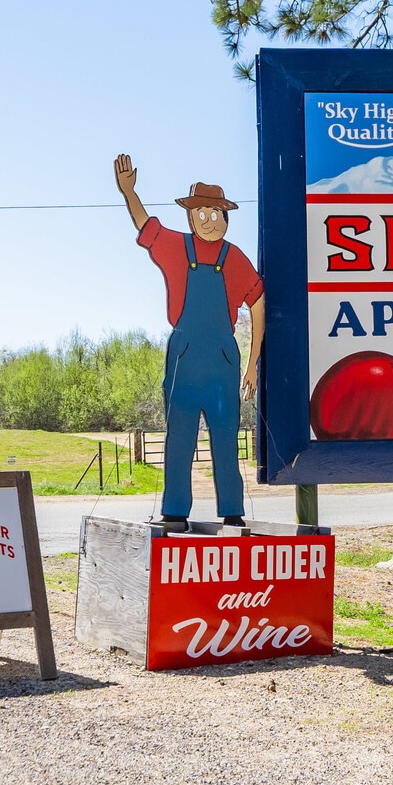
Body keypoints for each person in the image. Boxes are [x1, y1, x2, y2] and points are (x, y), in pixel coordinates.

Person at [115, 153, 264, 530]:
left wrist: (252, 363)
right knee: (179, 436)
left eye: (215, 214)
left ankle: (232, 511)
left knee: (225, 437)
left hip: (222, 360)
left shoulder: (235, 258)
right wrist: (129, 192)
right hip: (184, 357)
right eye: (201, 214)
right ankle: (175, 512)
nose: (208, 221)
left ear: (226, 217)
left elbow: (258, 302)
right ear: (191, 217)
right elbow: (146, 225)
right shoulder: (176, 248)